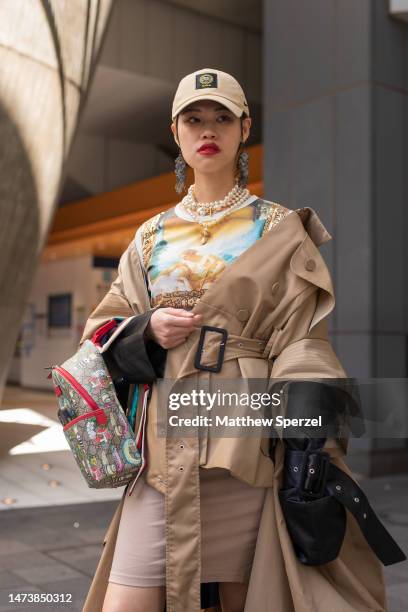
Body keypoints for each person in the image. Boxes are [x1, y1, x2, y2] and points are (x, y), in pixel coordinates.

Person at [80, 69, 391, 612]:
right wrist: (145, 331)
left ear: (244, 128)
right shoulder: (149, 234)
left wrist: (305, 452)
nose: (209, 129)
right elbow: (101, 329)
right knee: (126, 598)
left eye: (222, 117)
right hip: (163, 446)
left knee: (251, 596)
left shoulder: (278, 227)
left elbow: (302, 341)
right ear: (174, 131)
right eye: (194, 118)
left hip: (247, 440)